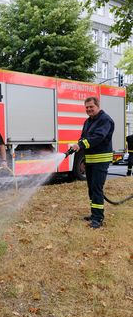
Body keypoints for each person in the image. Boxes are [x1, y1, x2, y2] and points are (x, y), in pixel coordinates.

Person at [70, 97, 115, 229]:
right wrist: (82, 158)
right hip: (90, 161)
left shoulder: (105, 120)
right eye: (87, 107)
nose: (88, 109)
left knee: (96, 189)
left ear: (97, 106)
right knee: (91, 189)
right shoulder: (88, 121)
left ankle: (98, 219)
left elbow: (98, 137)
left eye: (91, 107)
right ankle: (94, 213)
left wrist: (81, 144)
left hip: (101, 160)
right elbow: (84, 139)